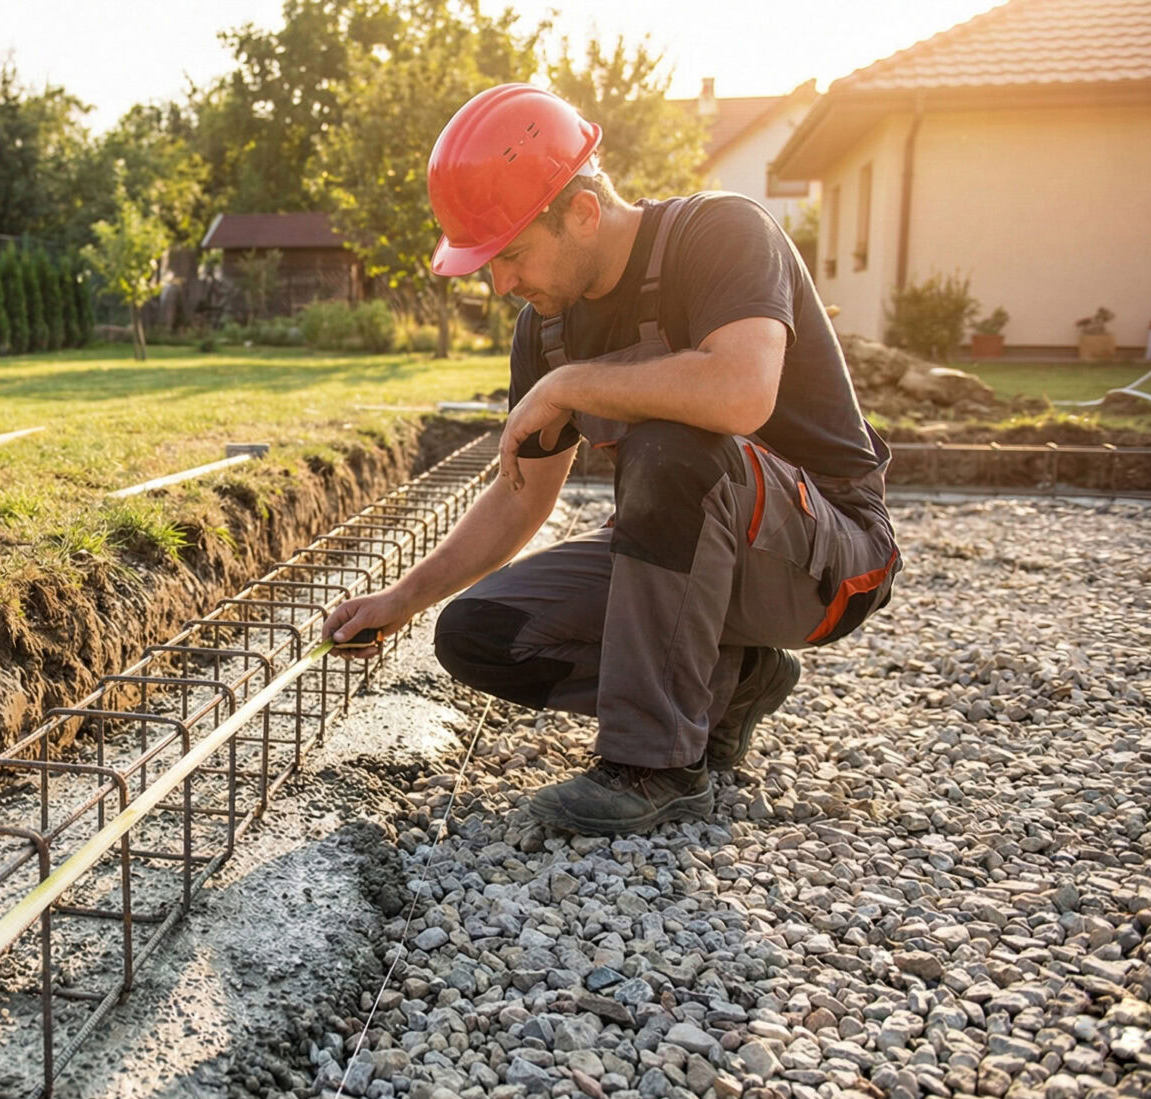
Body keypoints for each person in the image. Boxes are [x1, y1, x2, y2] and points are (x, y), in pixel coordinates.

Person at [322, 84, 900, 837]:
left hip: (829, 562)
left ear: (583, 212)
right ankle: (737, 682)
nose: (498, 284)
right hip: (705, 553)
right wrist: (401, 600)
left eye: (513, 255)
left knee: (672, 437)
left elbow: (740, 393)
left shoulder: (721, 233)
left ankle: (656, 765)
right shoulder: (548, 329)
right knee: (479, 634)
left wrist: (574, 384)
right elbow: (518, 498)